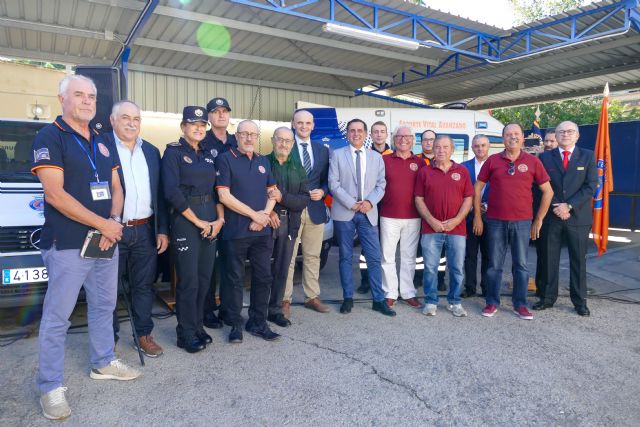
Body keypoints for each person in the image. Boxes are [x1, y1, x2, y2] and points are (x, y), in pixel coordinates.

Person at [31, 75, 139, 421]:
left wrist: (114, 221)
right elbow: (55, 194)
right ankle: (50, 386)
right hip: (67, 244)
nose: (87, 101)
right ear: (62, 99)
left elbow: (116, 187)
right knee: (57, 318)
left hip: (105, 240)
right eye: (79, 95)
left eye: (91, 96)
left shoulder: (103, 141)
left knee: (104, 305)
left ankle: (103, 361)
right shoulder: (50, 136)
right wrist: (103, 224)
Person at [107, 100, 169, 358]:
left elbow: (160, 194)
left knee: (144, 286)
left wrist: (162, 229)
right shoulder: (101, 148)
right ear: (113, 121)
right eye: (125, 118)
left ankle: (142, 334)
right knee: (107, 288)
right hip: (112, 230)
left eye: (136, 119)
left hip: (145, 230)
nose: (132, 123)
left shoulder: (152, 151)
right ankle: (107, 341)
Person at [473, 123, 553, 320]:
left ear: (523, 138)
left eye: (516, 134)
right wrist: (477, 216)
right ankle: (492, 302)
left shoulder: (533, 162)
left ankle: (521, 304)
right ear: (503, 139)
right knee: (494, 266)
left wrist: (539, 219)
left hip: (522, 222)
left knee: (521, 266)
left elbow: (548, 192)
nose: (513, 137)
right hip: (495, 222)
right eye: (508, 134)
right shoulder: (492, 161)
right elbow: (477, 189)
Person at [162, 106, 224, 353]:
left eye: (202, 125)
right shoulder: (173, 153)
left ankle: (198, 326)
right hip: (187, 220)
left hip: (211, 217)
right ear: (183, 127)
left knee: (204, 279)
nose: (198, 128)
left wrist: (219, 220)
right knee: (188, 281)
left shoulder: (209, 154)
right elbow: (171, 192)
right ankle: (185, 332)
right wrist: (199, 222)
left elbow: (217, 189)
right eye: (193, 124)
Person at [216, 120, 280, 343]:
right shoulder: (225, 159)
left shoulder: (263, 161)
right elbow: (224, 196)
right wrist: (255, 215)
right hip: (235, 232)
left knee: (264, 277)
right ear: (237, 136)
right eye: (244, 134)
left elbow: (274, 193)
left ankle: (258, 322)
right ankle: (234, 324)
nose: (249, 138)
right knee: (234, 280)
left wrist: (263, 217)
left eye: (253, 134)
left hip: (261, 233)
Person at [329, 118, 394, 316]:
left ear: (366, 135)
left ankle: (378, 299)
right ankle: (347, 298)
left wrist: (369, 202)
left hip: (368, 213)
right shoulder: (337, 155)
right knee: (345, 258)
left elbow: (381, 184)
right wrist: (351, 203)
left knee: (374, 257)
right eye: (352, 131)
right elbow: (333, 183)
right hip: (345, 212)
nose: (356, 134)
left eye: (359, 131)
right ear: (347, 134)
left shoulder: (376, 157)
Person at [536, 121, 598, 316]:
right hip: (552, 216)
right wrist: (556, 205)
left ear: (577, 136)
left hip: (578, 217)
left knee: (578, 261)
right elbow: (539, 184)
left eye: (570, 131)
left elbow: (591, 186)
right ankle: (547, 298)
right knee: (548, 258)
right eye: (561, 131)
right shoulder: (545, 157)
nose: (565, 134)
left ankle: (580, 302)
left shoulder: (587, 156)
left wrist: (568, 205)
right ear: (556, 135)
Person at [415, 135, 473, 317]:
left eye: (445, 147)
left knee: (456, 267)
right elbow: (418, 198)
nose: (441, 150)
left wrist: (456, 220)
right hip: (431, 228)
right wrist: (431, 220)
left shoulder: (462, 171)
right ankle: (431, 301)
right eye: (437, 147)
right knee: (430, 267)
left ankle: (455, 302)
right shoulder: (425, 172)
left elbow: (468, 199)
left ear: (452, 149)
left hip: (457, 229)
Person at [284, 110, 331, 317]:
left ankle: (312, 297)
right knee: (288, 256)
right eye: (299, 123)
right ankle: (284, 299)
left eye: (308, 123)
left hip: (315, 210)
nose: (304, 126)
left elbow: (327, 179)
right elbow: (277, 178)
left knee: (313, 256)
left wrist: (323, 191)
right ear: (293, 124)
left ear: (313, 125)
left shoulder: (322, 150)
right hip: (291, 209)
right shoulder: (285, 146)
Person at [266, 127, 310, 327]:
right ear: (273, 140)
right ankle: (258, 310)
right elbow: (253, 194)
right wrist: (270, 212)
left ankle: (275, 310)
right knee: (261, 269)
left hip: (290, 224)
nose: (283, 144)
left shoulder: (298, 168)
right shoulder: (262, 163)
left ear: (292, 144)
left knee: (282, 269)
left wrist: (282, 198)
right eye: (280, 139)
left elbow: (303, 199)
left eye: (287, 141)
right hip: (267, 222)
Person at [379, 125, 424, 308]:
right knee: (387, 256)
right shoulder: (384, 159)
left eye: (407, 136)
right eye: (399, 136)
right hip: (388, 215)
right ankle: (390, 292)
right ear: (393, 139)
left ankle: (407, 292)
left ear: (413, 140)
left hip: (414, 216)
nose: (403, 139)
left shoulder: (420, 163)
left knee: (409, 257)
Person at [201, 97, 237, 329]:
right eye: (216, 112)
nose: (221, 115)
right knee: (208, 265)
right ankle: (207, 310)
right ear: (209, 117)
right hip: (209, 210)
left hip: (234, 211)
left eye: (225, 111)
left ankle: (228, 309)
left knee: (230, 265)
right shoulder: (202, 140)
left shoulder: (237, 140)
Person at [358, 120, 392, 294]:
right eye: (375, 132)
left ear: (387, 134)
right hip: (370, 207)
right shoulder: (364, 154)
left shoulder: (393, 154)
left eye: (382, 131)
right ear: (370, 135)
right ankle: (365, 281)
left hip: (388, 207)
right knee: (366, 248)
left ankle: (384, 281)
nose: (379, 134)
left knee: (386, 248)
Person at [461, 135, 490, 298]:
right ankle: (470, 287)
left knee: (488, 255)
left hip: (491, 217)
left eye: (483, 145)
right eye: (477, 146)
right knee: (470, 255)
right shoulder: (464, 167)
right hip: (470, 216)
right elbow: (460, 192)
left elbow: (503, 191)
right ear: (472, 148)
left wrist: (487, 205)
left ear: (489, 146)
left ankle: (486, 288)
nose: (480, 148)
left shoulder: (497, 165)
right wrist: (473, 205)